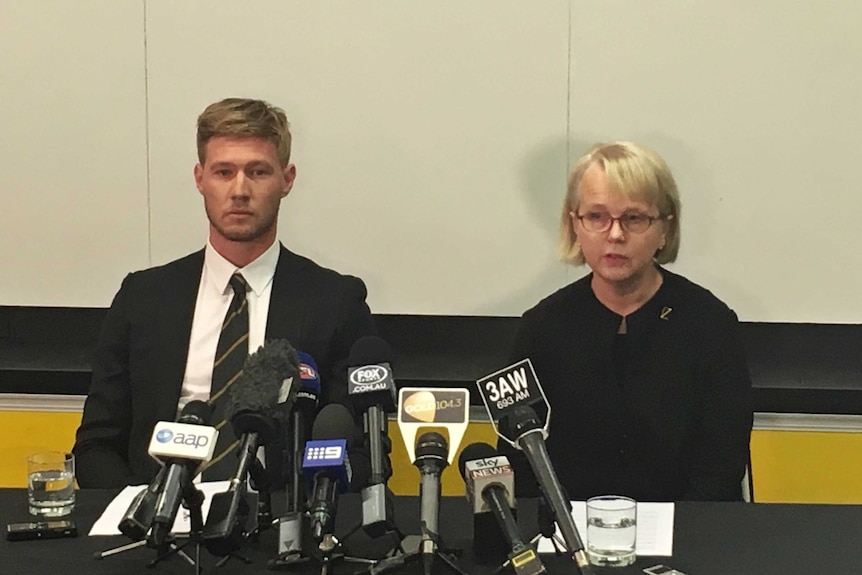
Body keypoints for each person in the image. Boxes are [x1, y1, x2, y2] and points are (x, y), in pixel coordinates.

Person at [73, 98, 376, 488]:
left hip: (277, 525)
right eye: (223, 172)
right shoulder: (144, 297)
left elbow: (361, 452)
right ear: (200, 178)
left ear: (287, 179)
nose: (239, 190)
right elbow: (97, 445)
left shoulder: (335, 302)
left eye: (258, 172)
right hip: (155, 520)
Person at [502, 141, 752, 501]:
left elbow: (721, 467)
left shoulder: (710, 326)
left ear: (665, 228)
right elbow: (518, 463)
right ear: (574, 224)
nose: (615, 235)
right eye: (597, 217)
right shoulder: (542, 329)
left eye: (634, 218)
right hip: (566, 537)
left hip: (685, 535)